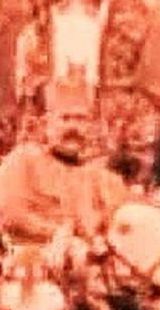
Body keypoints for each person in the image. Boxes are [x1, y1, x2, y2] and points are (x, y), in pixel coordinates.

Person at [0, 72, 130, 260]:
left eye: (81, 119)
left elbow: (121, 220)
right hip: (32, 263)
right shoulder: (23, 160)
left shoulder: (100, 175)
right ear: (46, 123)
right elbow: (12, 215)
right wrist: (62, 234)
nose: (73, 127)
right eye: (65, 118)